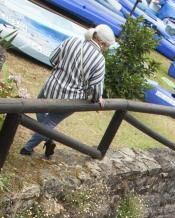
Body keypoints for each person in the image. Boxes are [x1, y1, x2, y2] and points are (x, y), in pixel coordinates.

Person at [20, 25, 115, 158]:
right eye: (107, 47)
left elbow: (52, 58)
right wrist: (96, 98)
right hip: (70, 99)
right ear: (102, 43)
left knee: (40, 110)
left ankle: (47, 138)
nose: (106, 50)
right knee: (50, 123)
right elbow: (95, 89)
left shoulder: (72, 41)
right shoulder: (99, 60)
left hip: (51, 87)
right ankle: (27, 148)